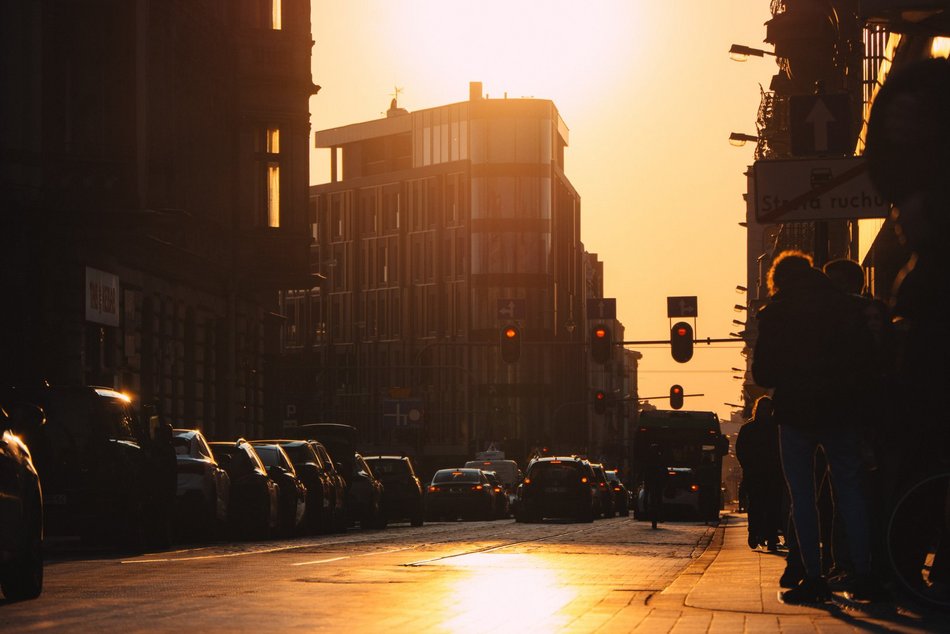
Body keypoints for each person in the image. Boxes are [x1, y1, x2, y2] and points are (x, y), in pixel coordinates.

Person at [751, 249, 885, 604]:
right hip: (842, 412)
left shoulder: (776, 314)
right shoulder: (847, 307)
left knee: (803, 495)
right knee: (850, 491)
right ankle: (864, 572)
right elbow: (867, 362)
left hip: (796, 414)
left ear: (778, 281)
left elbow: (762, 373)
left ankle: (813, 576)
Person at [864, 56, 950, 600]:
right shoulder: (918, 276)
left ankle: (899, 568)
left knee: (919, 457)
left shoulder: (927, 279)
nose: (896, 213)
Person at [735, 395, 784, 552]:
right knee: (757, 505)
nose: (765, 412)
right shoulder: (749, 429)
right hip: (756, 475)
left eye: (768, 409)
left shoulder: (776, 429)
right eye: (763, 409)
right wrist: (748, 468)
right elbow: (741, 451)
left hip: (771, 475)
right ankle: (754, 532)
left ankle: (770, 538)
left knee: (772, 507)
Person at [643, 443, 667, 530]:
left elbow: (664, 471)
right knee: (655, 498)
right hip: (653, 482)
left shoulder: (656, 459)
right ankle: (658, 514)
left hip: (654, 482)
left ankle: (657, 514)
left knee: (655, 498)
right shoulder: (655, 459)